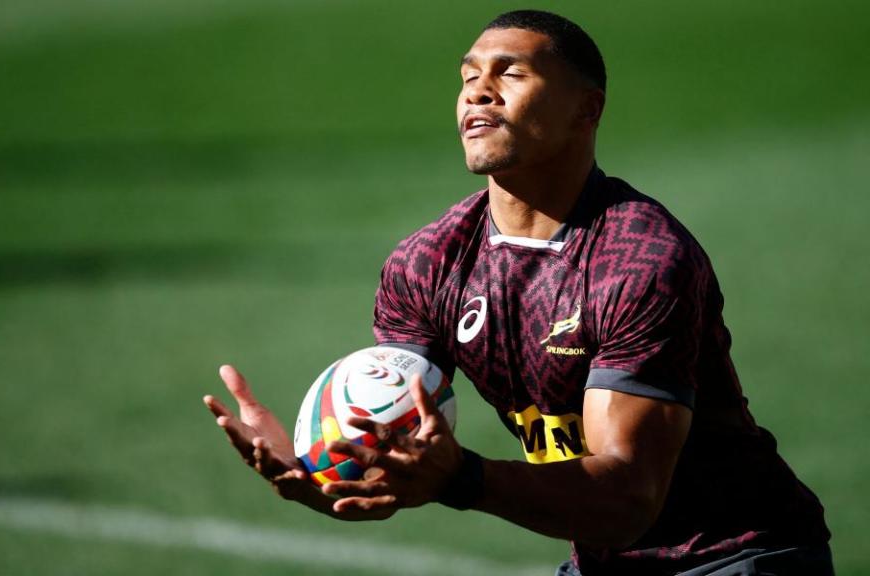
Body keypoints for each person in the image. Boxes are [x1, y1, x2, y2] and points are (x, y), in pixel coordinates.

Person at [204, 10, 833, 575]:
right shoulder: (427, 263)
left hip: (735, 556)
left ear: (588, 109)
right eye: (469, 75)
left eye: (512, 74)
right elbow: (398, 457)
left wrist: (464, 477)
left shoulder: (640, 261)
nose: (478, 90)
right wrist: (328, 470)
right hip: (603, 558)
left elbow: (628, 499)